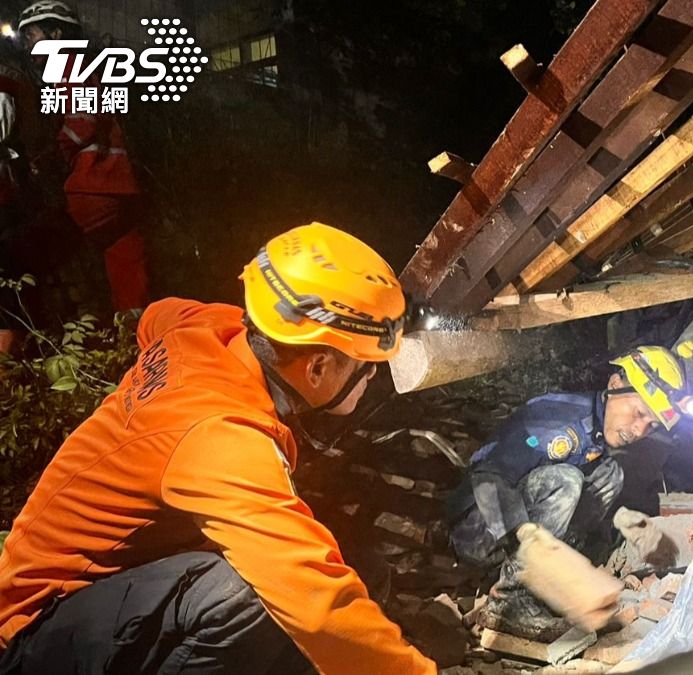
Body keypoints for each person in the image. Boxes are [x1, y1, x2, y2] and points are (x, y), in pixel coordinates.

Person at [0, 223, 435, 674]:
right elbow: (316, 602)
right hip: (36, 633)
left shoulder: (210, 327)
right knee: (246, 595)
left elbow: (154, 318)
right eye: (368, 366)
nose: (372, 377)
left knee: (353, 564)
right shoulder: (222, 440)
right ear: (318, 367)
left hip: (97, 598)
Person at [447, 345, 693, 640]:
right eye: (639, 412)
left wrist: (620, 520)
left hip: (512, 537)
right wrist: (524, 535)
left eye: (651, 424)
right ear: (614, 385)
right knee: (566, 481)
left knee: (610, 475)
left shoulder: (597, 429)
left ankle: (547, 585)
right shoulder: (557, 418)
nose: (639, 430)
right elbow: (487, 476)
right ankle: (510, 603)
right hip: (475, 530)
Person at [19, 0, 149, 312]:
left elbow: (82, 121)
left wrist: (48, 157)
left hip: (91, 186)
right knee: (126, 262)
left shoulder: (67, 66)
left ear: (56, 33)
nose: (27, 44)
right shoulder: (85, 66)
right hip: (119, 186)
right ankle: (135, 325)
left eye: (31, 35)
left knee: (30, 250)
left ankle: (42, 319)